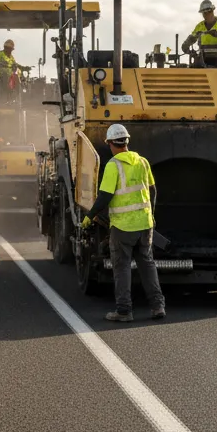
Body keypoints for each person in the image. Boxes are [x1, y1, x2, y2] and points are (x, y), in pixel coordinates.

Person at [82, 124, 166, 322]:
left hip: (123, 227)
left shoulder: (113, 165)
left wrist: (89, 216)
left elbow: (104, 197)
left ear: (110, 143)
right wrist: (151, 216)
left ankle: (124, 311)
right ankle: (157, 306)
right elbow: (153, 191)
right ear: (126, 142)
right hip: (145, 224)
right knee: (147, 265)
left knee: (122, 267)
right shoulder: (143, 162)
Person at [181, 0, 217, 68]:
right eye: (204, 13)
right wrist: (192, 53)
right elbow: (187, 43)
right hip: (202, 59)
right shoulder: (199, 26)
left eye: (209, 12)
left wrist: (216, 34)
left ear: (213, 11)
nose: (207, 14)